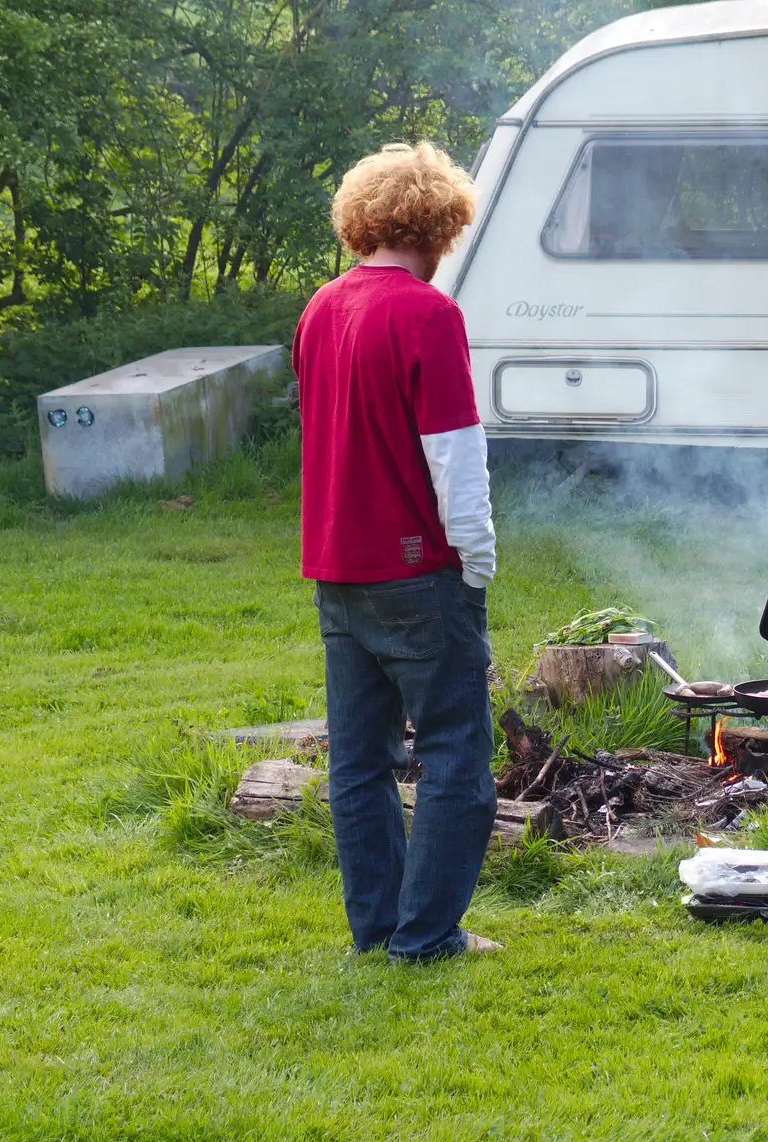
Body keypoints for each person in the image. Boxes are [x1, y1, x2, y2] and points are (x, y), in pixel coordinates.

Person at [292, 142, 500, 960]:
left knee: (359, 761)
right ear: (442, 224)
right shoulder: (427, 314)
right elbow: (455, 454)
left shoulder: (321, 308)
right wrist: (474, 561)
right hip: (418, 571)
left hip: (337, 565)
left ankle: (377, 929)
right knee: (455, 757)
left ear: (363, 221)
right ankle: (428, 937)